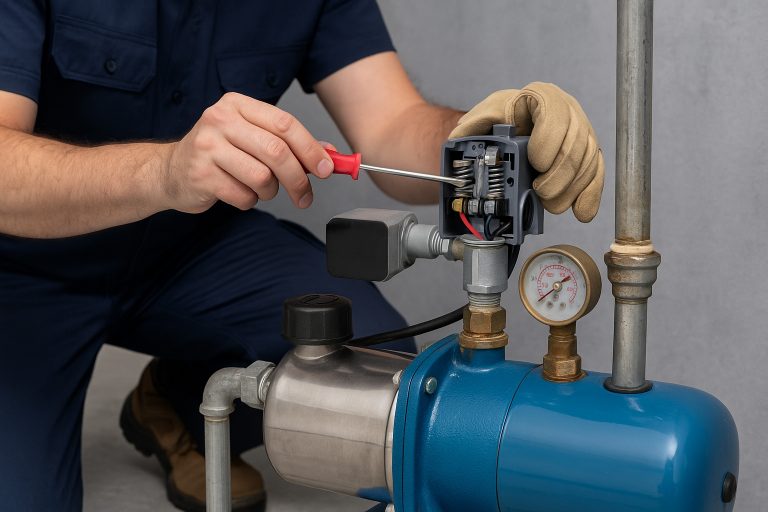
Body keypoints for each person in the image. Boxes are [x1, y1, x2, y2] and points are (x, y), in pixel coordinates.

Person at [0, 1, 604, 511]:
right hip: (26, 266)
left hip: (188, 252)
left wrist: (482, 135)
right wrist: (164, 170)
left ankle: (177, 405)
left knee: (372, 367)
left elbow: (392, 123)